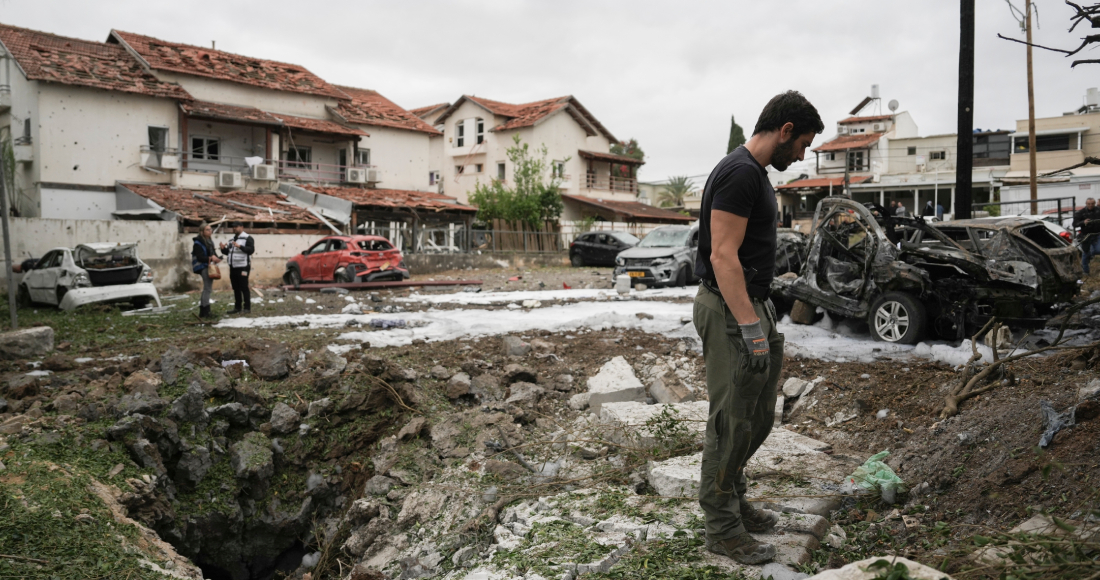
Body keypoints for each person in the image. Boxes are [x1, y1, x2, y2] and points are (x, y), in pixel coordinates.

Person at [694, 90, 823, 565]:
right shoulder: (740, 174)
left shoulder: (755, 175)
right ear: (785, 130)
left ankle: (734, 499)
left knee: (757, 418)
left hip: (752, 305)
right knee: (730, 423)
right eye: (803, 143)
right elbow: (722, 255)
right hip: (731, 312)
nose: (802, 154)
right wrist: (749, 327)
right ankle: (722, 527)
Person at [221, 221, 255, 314]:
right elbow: (229, 252)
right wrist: (223, 249)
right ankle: (237, 307)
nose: (234, 228)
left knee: (244, 287)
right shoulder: (231, 239)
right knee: (236, 287)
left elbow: (251, 250)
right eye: (233, 227)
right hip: (233, 266)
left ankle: (247, 308)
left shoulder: (248, 238)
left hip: (243, 266)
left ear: (242, 227)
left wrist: (240, 246)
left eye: (236, 227)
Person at [191, 224, 222, 318]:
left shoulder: (209, 242)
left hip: (208, 266)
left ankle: (204, 311)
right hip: (203, 267)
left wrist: (217, 258)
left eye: (210, 229)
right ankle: (205, 311)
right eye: (207, 229)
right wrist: (210, 258)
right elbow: (200, 257)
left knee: (207, 288)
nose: (210, 231)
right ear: (202, 232)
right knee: (207, 289)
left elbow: (213, 254)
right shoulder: (198, 243)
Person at [1075, 197, 1100, 275]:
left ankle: (1091, 253)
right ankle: (1086, 271)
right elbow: (1074, 224)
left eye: (1092, 203)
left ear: (1095, 203)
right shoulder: (1081, 212)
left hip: (1097, 234)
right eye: (1089, 204)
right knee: (1085, 253)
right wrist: (1083, 222)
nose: (1091, 205)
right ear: (1086, 204)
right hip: (1086, 235)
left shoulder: (1098, 210)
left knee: (1098, 250)